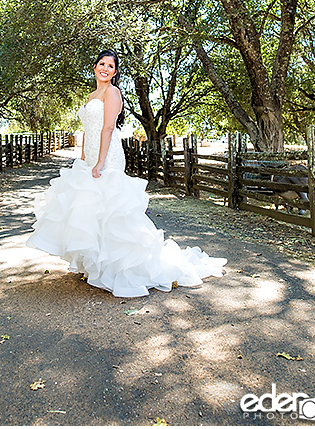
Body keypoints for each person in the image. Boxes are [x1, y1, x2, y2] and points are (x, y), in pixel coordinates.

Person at [25, 49, 226, 298]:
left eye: (111, 66)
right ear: (95, 67)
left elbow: (108, 127)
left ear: (115, 72)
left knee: (111, 208)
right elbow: (88, 128)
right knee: (91, 207)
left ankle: (120, 267)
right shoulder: (91, 95)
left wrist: (100, 162)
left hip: (108, 156)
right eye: (102, 64)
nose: (105, 68)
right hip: (91, 155)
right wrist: (85, 157)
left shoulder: (113, 92)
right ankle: (97, 266)